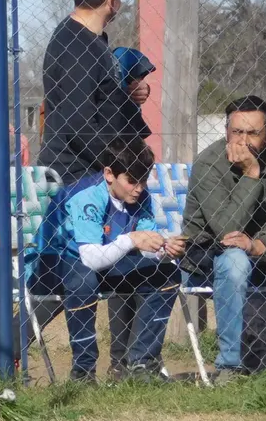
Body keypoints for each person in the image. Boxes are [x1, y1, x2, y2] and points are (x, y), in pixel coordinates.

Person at [29, 138, 179, 381]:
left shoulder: (139, 196)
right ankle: (83, 371)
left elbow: (142, 245)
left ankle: (142, 364)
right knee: (84, 279)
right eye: (132, 180)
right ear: (109, 173)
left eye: (143, 180)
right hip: (54, 262)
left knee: (167, 274)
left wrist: (163, 248)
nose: (139, 188)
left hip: (103, 263)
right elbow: (89, 258)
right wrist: (132, 240)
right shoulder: (88, 195)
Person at [167, 96, 266, 384]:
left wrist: (263, 245)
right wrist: (251, 175)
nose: (242, 140)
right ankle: (230, 367)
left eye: (252, 133)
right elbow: (226, 229)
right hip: (207, 250)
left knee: (248, 255)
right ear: (226, 131)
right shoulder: (208, 163)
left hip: (259, 246)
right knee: (235, 261)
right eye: (236, 132)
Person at [38, 0, 134, 184]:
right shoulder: (76, 44)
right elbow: (79, 122)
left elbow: (98, 96)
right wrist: (119, 166)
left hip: (89, 171)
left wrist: (127, 93)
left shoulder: (91, 40)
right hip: (75, 177)